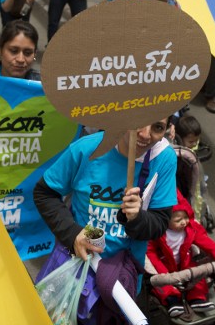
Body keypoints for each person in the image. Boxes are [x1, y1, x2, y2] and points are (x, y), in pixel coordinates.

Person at [34, 118, 178, 323]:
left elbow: (160, 224)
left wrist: (137, 218)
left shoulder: (164, 159)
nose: (145, 135)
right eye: (139, 121)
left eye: (157, 127)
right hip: (77, 271)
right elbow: (45, 193)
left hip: (122, 281)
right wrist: (73, 233)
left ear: (168, 129)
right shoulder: (87, 149)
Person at [147, 191, 215, 317]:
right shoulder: (156, 232)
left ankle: (197, 298)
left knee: (198, 274)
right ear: (165, 219)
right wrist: (161, 271)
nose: (184, 222)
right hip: (164, 264)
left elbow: (205, 241)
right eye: (178, 220)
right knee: (163, 283)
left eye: (186, 217)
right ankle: (172, 300)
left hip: (184, 261)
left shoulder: (190, 228)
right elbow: (150, 252)